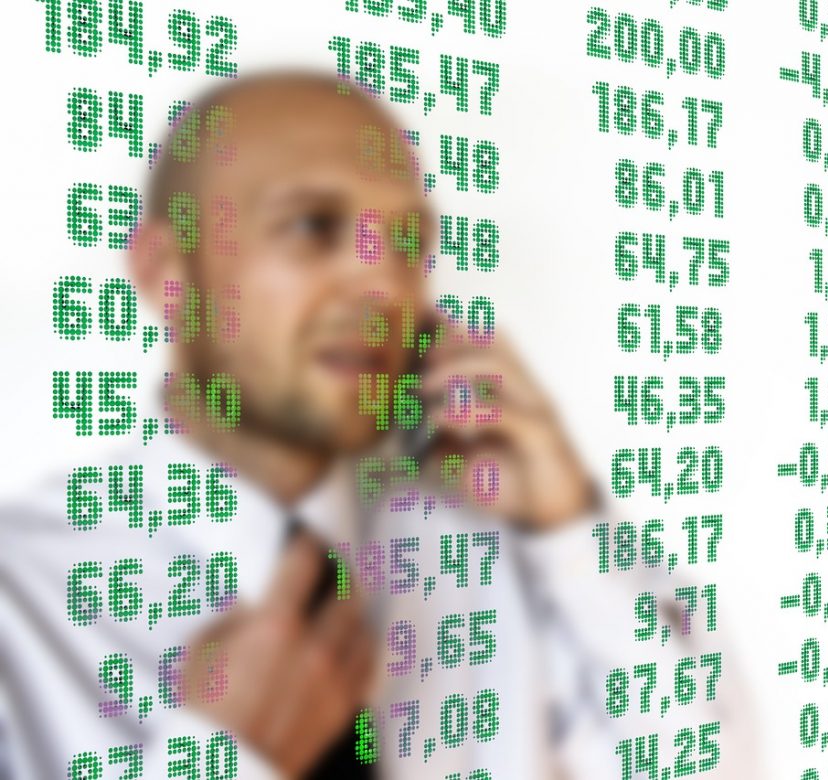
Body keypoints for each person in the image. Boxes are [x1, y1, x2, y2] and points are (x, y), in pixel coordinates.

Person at [0, 71, 758, 778]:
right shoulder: (20, 600)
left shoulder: (489, 559)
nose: (382, 285)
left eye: (407, 244)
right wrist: (226, 758)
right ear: (168, 274)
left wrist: (569, 525)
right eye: (312, 227)